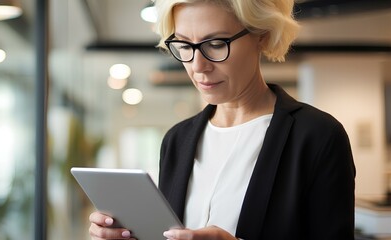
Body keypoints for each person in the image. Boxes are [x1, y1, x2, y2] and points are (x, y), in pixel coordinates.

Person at [88, 0, 356, 239]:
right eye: (183, 45)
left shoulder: (318, 136)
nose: (197, 66)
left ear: (261, 35)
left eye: (216, 44)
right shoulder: (177, 140)